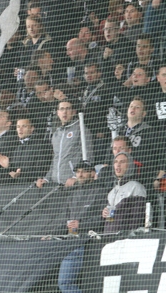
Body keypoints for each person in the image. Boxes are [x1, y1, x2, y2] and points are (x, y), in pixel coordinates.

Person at [57, 161, 108, 293]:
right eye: (78, 171)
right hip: (70, 241)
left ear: (92, 173)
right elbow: (64, 218)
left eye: (84, 171)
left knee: (65, 282)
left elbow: (105, 218)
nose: (80, 174)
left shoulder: (101, 191)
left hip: (85, 241)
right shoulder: (72, 192)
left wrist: (81, 224)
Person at [38, 100, 93, 188]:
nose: (64, 112)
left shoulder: (81, 129)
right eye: (62, 109)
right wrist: (47, 178)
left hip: (73, 184)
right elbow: (56, 158)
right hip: (55, 185)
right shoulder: (56, 134)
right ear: (58, 113)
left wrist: (76, 177)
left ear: (74, 112)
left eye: (68, 108)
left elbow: (88, 156)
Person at [102, 152, 147, 233]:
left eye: (122, 162)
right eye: (116, 162)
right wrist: (104, 213)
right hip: (109, 238)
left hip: (126, 239)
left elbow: (138, 217)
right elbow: (109, 219)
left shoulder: (136, 187)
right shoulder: (112, 191)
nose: (118, 165)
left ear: (129, 165)